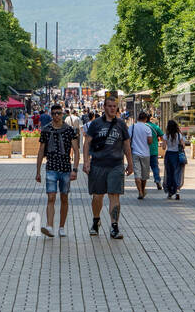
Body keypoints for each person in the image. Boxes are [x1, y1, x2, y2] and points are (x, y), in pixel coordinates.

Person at [80, 95, 133, 238]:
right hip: (98, 164)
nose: (112, 108)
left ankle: (114, 226)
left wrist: (130, 163)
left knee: (114, 195)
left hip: (116, 164)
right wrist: (86, 161)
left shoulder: (121, 124)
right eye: (109, 106)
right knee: (97, 196)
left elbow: (126, 144)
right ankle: (96, 220)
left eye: (114, 106)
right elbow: (87, 143)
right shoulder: (96, 124)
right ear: (104, 107)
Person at [35, 103, 79, 237]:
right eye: (54, 114)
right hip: (51, 168)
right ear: (51, 115)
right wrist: (37, 171)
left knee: (64, 198)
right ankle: (49, 226)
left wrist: (75, 170)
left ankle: (61, 226)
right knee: (51, 197)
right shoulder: (46, 130)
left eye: (59, 113)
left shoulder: (69, 130)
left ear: (62, 114)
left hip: (65, 168)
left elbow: (76, 151)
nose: (56, 116)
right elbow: (41, 150)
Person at [129, 108, 154, 199]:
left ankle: (139, 191)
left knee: (137, 174)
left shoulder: (132, 127)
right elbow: (150, 141)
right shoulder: (147, 128)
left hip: (135, 153)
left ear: (138, 118)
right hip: (146, 154)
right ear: (146, 119)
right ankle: (143, 190)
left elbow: (128, 140)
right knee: (144, 175)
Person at [162, 119, 185, 199]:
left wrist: (166, 144)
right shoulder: (179, 135)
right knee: (177, 173)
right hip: (177, 156)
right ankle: (177, 190)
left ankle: (170, 191)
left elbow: (164, 147)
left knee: (169, 173)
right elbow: (183, 146)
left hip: (169, 155)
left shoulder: (166, 135)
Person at [146, 111, 163, 191]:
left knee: (144, 168)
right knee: (155, 167)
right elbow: (162, 136)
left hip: (143, 151)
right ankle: (158, 180)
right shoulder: (155, 127)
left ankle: (142, 184)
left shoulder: (141, 127)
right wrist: (162, 144)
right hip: (153, 150)